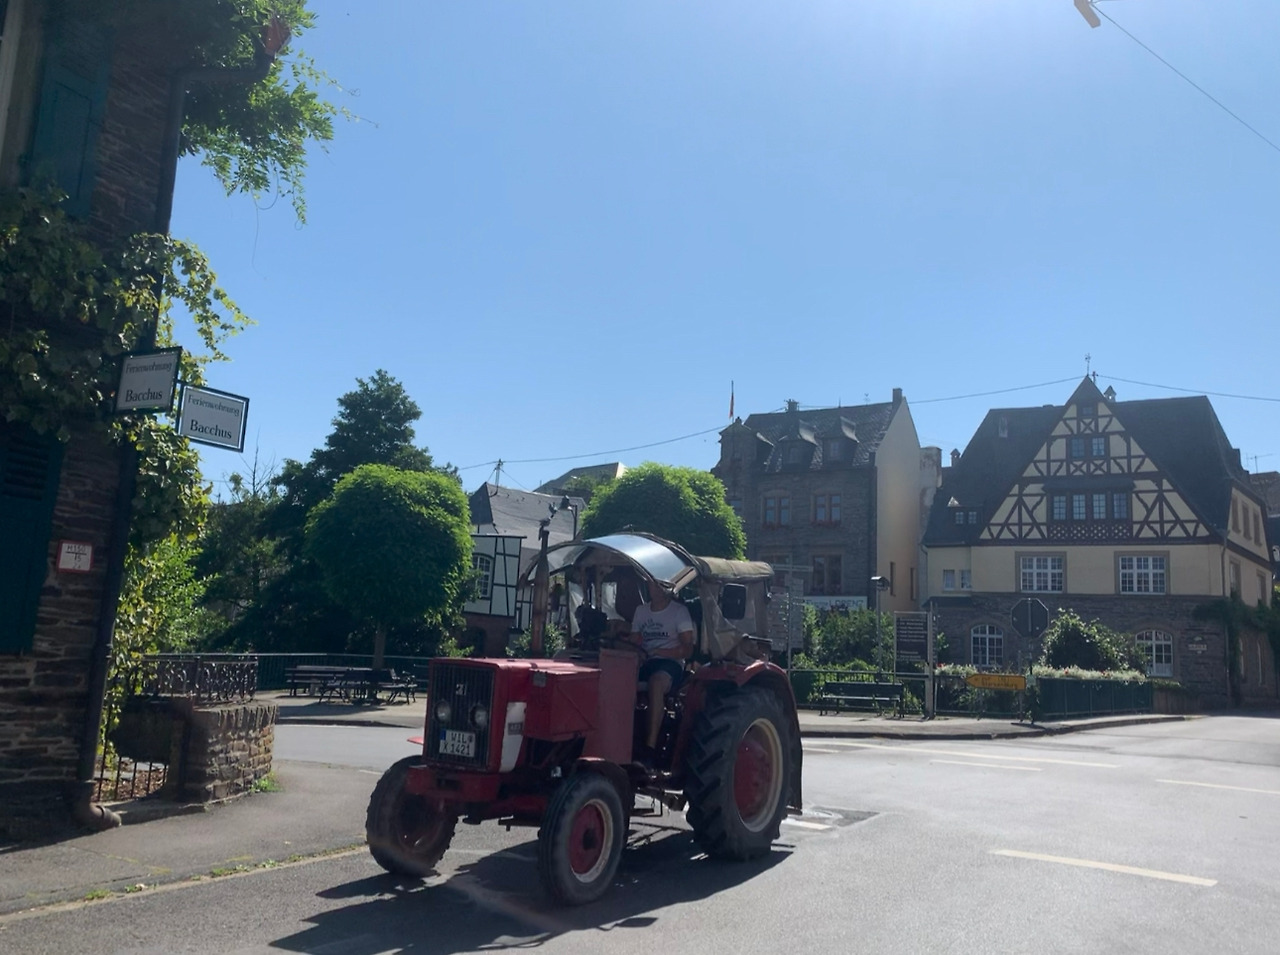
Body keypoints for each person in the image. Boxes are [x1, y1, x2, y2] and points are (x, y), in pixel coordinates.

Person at [628, 583, 694, 765]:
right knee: (620, 680)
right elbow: (633, 642)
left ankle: (649, 749)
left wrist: (659, 651)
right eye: (652, 585)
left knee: (656, 683)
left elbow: (688, 649)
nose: (655, 589)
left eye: (659, 585)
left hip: (670, 663)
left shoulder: (679, 612)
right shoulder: (641, 611)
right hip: (645, 661)